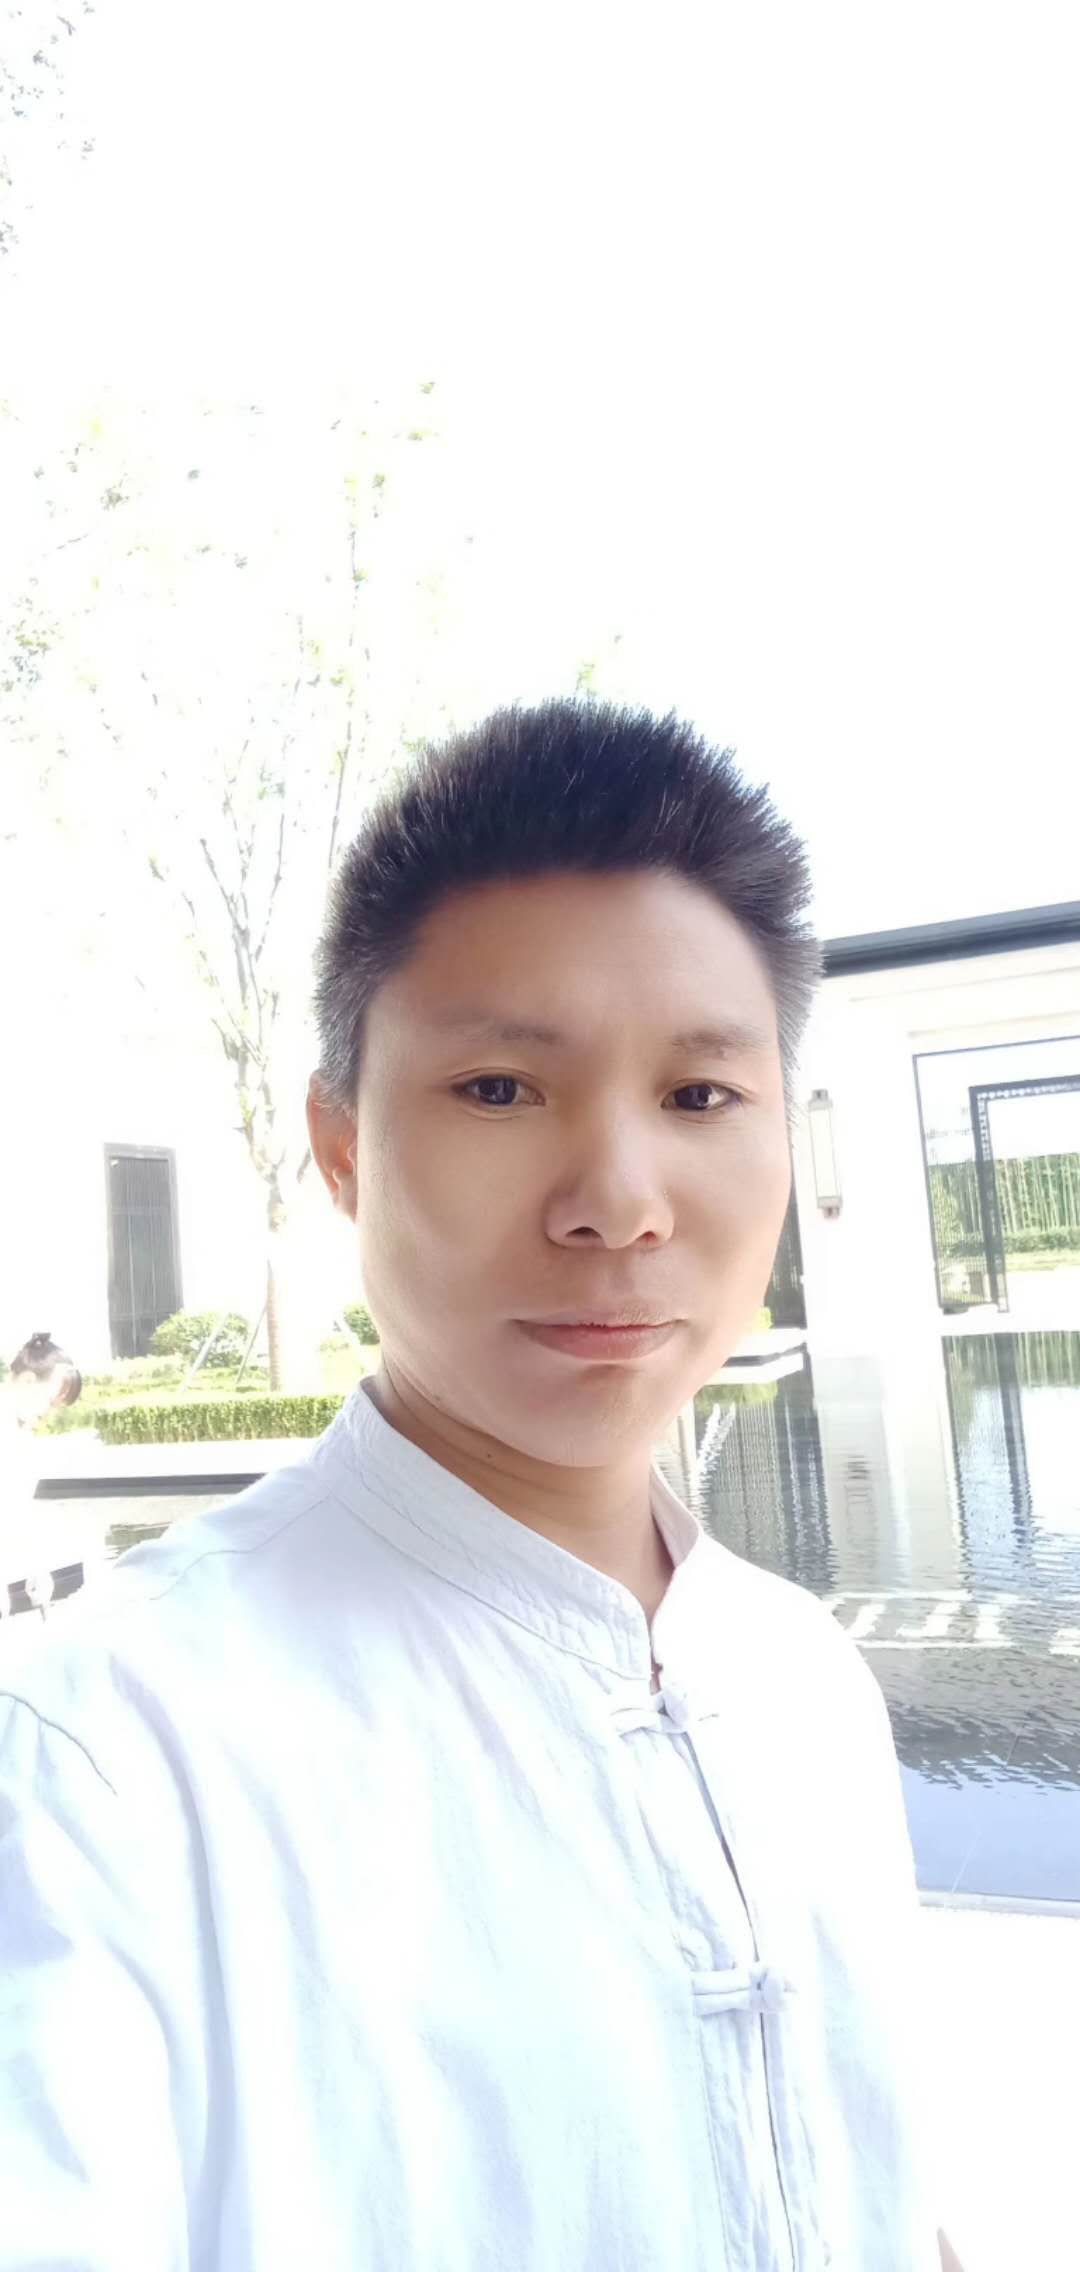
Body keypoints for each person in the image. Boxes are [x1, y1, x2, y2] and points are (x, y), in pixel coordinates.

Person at [0, 701, 964, 2270]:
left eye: (700, 1097)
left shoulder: (803, 1678)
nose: (619, 1204)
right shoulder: (100, 1760)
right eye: (503, 1089)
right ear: (340, 1147)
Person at [0, 1332, 83, 1620]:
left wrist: (36, 1565)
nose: (49, 1413)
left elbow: (15, 1513)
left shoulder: (19, 1435)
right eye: (49, 1402)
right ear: (26, 1382)